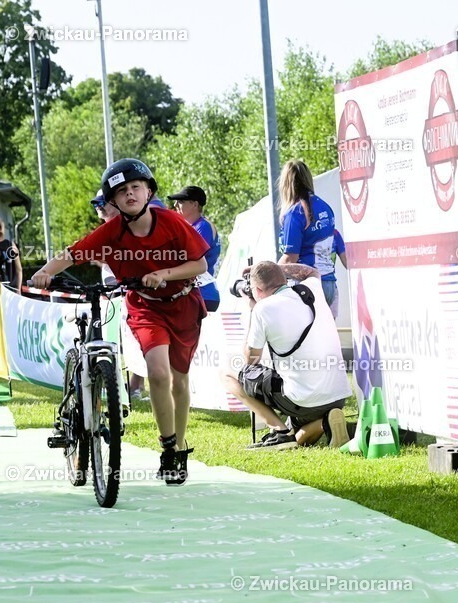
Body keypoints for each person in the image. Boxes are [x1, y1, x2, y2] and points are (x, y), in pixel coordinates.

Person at [32, 158, 209, 485]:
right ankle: (168, 444)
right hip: (146, 307)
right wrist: (44, 272)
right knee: (158, 372)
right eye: (122, 191)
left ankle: (179, 448)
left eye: (135, 188)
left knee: (180, 381)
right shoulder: (110, 231)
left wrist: (163, 273)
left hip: (183, 304)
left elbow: (199, 264)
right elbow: (71, 254)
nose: (130, 194)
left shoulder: (171, 221)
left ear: (148, 191)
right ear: (112, 200)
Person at [223, 260, 351, 450]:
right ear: (283, 279)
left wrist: (252, 309)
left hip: (303, 401)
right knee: (298, 440)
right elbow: (311, 271)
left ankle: (280, 431)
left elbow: (250, 360)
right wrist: (273, 269)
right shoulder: (311, 289)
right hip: (338, 396)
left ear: (257, 290)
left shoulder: (262, 308)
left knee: (227, 372)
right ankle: (324, 423)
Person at [92, 189, 147, 401]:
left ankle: (134, 386)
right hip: (112, 288)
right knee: (116, 337)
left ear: (114, 204)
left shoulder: (130, 225)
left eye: (101, 203)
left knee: (134, 337)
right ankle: (118, 383)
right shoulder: (106, 228)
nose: (98, 208)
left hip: (129, 287)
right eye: (96, 204)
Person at [277, 160, 338, 313]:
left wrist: (268, 274)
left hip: (308, 285)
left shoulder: (295, 213)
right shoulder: (325, 206)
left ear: (286, 184)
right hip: (329, 283)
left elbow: (290, 258)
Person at [168, 185, 221, 313]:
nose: (175, 205)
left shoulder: (203, 227)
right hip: (197, 294)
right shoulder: (195, 227)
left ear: (195, 204)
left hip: (202, 294)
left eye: (181, 201)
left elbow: (186, 259)